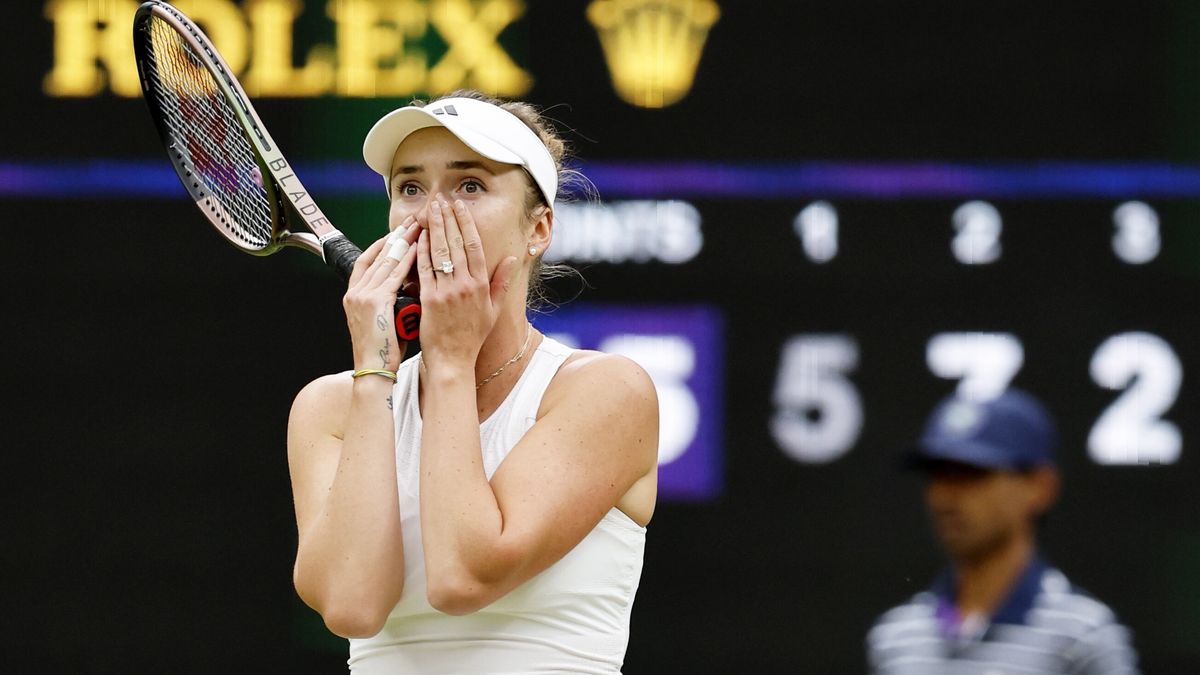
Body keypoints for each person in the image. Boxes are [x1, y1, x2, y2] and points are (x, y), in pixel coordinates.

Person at [285, 90, 659, 673]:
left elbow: (463, 576)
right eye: (410, 188)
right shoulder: (329, 407)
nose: (432, 214)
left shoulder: (605, 391)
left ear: (538, 229)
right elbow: (352, 605)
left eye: (470, 186)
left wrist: (451, 362)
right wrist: (375, 369)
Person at [866, 388, 1140, 674]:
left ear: (1039, 487)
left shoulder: (1082, 637)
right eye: (937, 474)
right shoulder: (896, 637)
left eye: (971, 473)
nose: (945, 497)